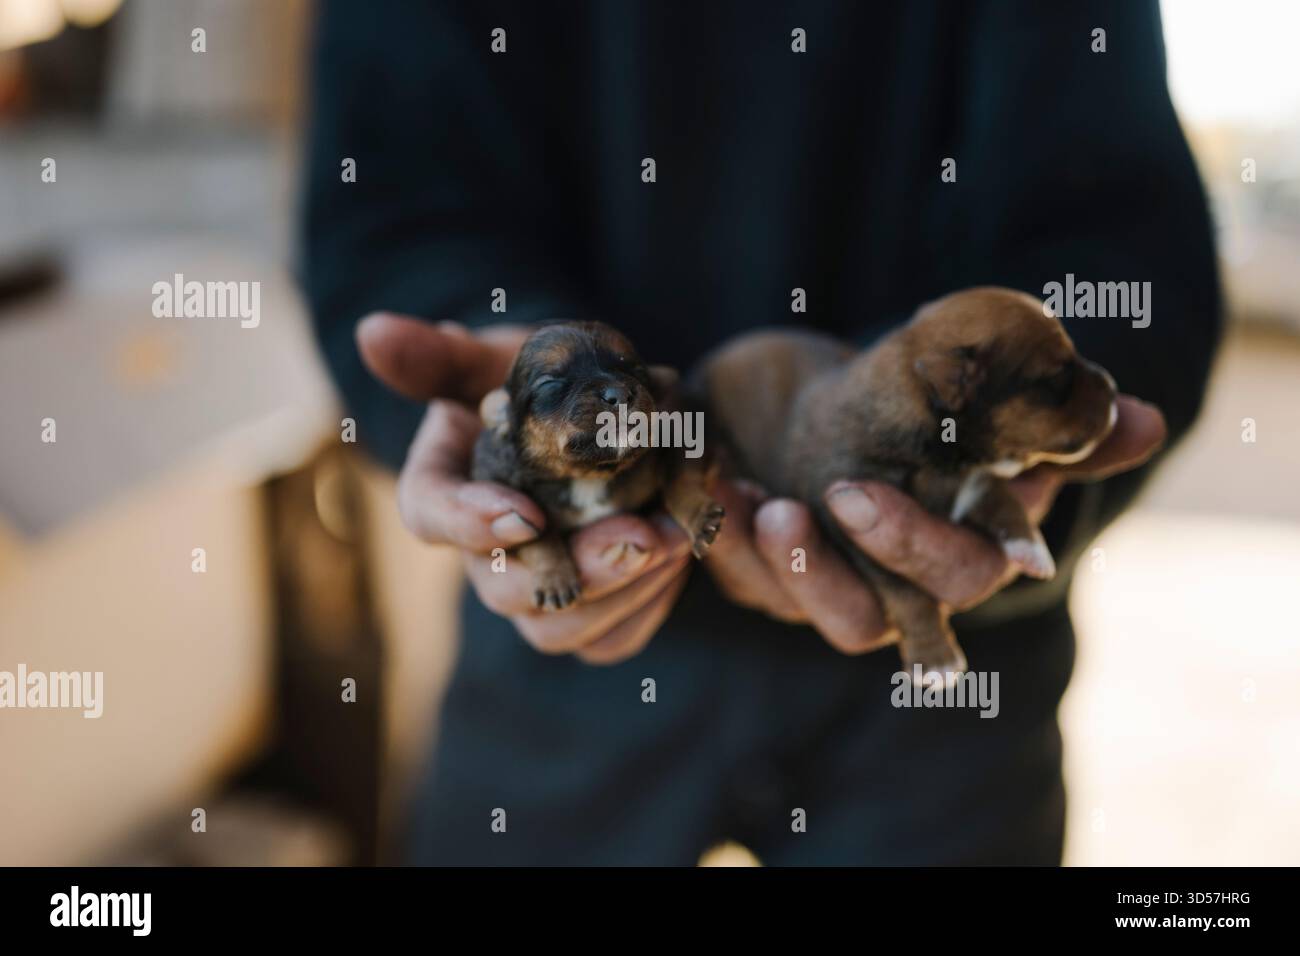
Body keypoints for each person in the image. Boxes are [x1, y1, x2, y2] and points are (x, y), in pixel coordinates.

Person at [304, 0, 1220, 864]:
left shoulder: (837, 415)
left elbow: (1122, 236)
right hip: (565, 664)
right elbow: (393, 203)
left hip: (948, 694)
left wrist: (1023, 467)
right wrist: (483, 360)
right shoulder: (557, 439)